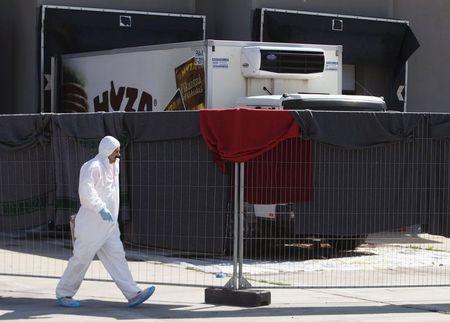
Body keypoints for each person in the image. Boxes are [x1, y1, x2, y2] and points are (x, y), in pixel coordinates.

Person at [56, 136, 155, 308]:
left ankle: (133, 294)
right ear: (107, 151)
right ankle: (64, 293)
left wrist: (111, 216)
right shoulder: (92, 167)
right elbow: (86, 192)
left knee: (117, 258)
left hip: (109, 226)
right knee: (81, 260)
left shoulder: (113, 166)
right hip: (91, 227)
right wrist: (101, 208)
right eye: (116, 151)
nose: (118, 155)